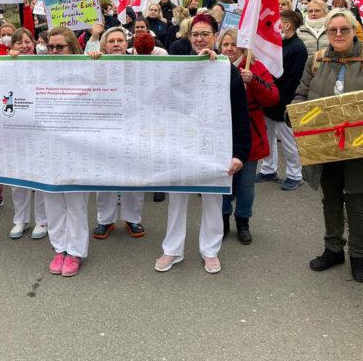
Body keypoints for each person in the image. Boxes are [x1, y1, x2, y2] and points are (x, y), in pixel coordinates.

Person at [292, 8, 363, 282]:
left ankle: (359, 255)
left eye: (344, 29)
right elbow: (300, 95)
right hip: (327, 147)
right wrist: (295, 117)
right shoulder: (317, 61)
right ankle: (333, 248)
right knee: (330, 197)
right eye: (333, 30)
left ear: (354, 30)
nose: (338, 34)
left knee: (357, 200)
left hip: (362, 146)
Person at [155, 14, 251, 274]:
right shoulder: (177, 66)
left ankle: (210, 251)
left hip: (215, 147)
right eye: (195, 34)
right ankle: (172, 250)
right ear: (189, 37)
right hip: (181, 146)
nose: (199, 39)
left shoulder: (227, 69)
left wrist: (239, 154)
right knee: (177, 199)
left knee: (212, 200)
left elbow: (241, 114)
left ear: (215, 37)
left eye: (205, 34)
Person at [219, 28, 278, 244]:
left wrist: (253, 80)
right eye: (225, 44)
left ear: (242, 46)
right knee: (223, 182)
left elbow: (273, 97)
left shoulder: (253, 67)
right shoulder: (215, 67)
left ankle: (243, 221)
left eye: (233, 44)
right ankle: (222, 220)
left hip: (250, 136)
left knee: (245, 184)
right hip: (221, 136)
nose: (229, 48)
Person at [43, 26, 91, 277]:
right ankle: (59, 247)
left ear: (72, 47)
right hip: (48, 145)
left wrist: (97, 62)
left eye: (59, 47)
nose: (53, 51)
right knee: (52, 198)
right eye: (50, 47)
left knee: (74, 201)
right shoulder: (40, 71)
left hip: (76, 147)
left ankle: (75, 251)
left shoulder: (85, 69)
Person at [90, 27, 146, 240]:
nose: (115, 44)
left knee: (133, 176)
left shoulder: (140, 65)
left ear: (127, 44)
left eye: (120, 40)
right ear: (104, 46)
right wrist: (91, 60)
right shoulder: (96, 64)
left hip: (133, 129)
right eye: (111, 40)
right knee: (105, 176)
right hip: (104, 130)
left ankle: (133, 218)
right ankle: (105, 220)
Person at [257, 10, 308, 190]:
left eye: (279, 22)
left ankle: (295, 174)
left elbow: (294, 79)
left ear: (287, 25)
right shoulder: (279, 44)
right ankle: (268, 168)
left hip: (283, 102)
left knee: (289, 141)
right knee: (268, 138)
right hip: (269, 99)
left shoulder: (298, 48)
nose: (275, 26)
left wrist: (279, 99)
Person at [7, 28, 48, 240]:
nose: (24, 46)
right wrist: (10, 64)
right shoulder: (6, 66)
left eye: (27, 42)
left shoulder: (45, 64)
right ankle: (20, 220)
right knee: (18, 178)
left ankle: (42, 220)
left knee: (39, 176)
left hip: (40, 128)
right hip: (15, 129)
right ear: (11, 47)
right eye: (18, 43)